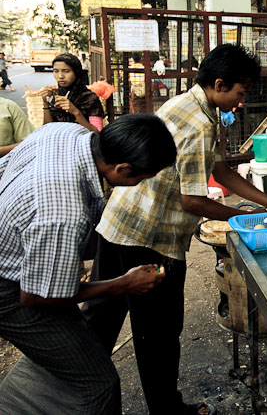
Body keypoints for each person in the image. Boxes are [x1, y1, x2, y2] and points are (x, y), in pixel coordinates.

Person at [84, 44, 267, 415]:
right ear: (220, 83)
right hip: (151, 237)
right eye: (241, 91)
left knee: (100, 322)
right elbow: (191, 201)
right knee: (158, 333)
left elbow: (221, 171)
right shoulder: (200, 123)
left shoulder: (190, 104)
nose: (240, 99)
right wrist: (240, 219)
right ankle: (164, 409)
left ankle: (81, 398)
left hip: (118, 222)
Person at [0, 116, 177, 415]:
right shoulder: (63, 212)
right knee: (98, 383)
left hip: (13, 256)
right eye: (142, 178)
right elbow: (38, 297)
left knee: (76, 348)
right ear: (122, 169)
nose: (140, 184)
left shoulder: (63, 131)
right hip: (10, 290)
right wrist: (124, 283)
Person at [40, 53, 105, 133]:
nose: (60, 76)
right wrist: (45, 104)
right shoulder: (55, 95)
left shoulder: (90, 98)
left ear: (76, 72)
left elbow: (97, 133)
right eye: (56, 71)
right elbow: (47, 130)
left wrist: (75, 112)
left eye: (66, 71)